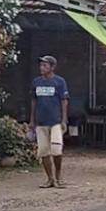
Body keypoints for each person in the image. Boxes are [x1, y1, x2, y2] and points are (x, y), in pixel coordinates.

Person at [29, 55, 69, 189]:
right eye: (41, 65)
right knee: (44, 151)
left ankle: (58, 176)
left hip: (56, 121)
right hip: (41, 122)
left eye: (45, 65)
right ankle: (49, 178)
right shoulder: (36, 82)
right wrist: (32, 121)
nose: (42, 68)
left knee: (57, 150)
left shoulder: (59, 82)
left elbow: (64, 101)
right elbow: (34, 102)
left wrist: (64, 120)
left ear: (52, 67)